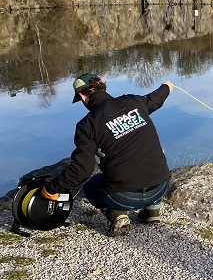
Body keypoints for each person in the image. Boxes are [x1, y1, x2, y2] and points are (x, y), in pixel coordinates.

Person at [41, 72, 175, 236]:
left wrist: (51, 188)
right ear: (103, 87)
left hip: (126, 197)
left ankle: (117, 214)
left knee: (91, 186)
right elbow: (156, 98)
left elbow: (82, 170)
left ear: (83, 96)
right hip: (160, 187)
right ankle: (152, 211)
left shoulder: (87, 125)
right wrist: (167, 87)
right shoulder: (133, 101)